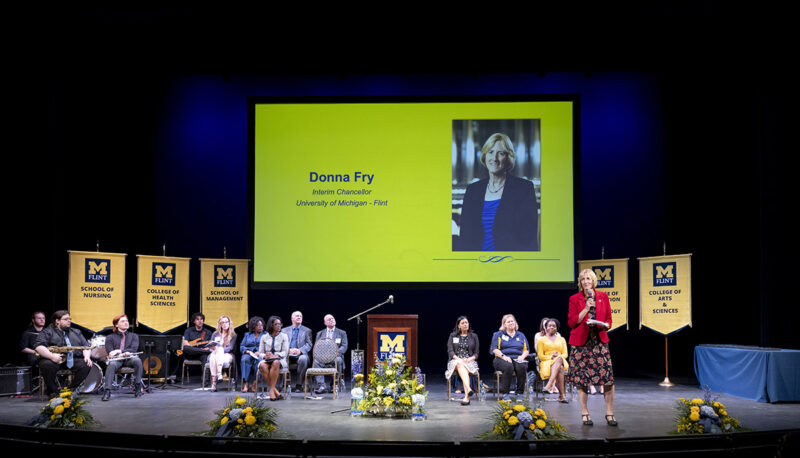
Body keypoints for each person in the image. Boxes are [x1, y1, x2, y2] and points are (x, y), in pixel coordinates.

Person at [456, 133, 539, 251]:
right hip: (477, 263)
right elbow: (465, 237)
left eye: (500, 153)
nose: (494, 158)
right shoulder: (472, 190)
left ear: (508, 157)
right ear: (484, 156)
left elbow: (529, 239)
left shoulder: (524, 189)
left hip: (509, 262)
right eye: (490, 152)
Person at [568, 269, 617, 426]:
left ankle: (609, 413)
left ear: (593, 281)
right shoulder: (574, 299)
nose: (586, 281)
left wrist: (606, 325)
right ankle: (585, 413)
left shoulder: (603, 296)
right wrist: (586, 309)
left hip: (599, 343)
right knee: (582, 380)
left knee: (608, 379)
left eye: (588, 279)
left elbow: (609, 318)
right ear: (580, 282)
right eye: (583, 279)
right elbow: (571, 322)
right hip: (581, 345)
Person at [34, 310, 93, 398]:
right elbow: (38, 346)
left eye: (69, 319)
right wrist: (52, 356)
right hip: (54, 359)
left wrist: (87, 356)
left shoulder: (76, 332)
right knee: (46, 365)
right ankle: (53, 392)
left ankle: (70, 390)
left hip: (72, 359)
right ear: (57, 321)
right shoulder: (47, 331)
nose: (69, 321)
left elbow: (86, 346)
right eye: (66, 319)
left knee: (86, 364)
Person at [101, 314, 143, 401]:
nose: (126, 323)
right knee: (111, 364)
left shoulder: (134, 336)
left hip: (129, 359)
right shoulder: (110, 337)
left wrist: (119, 351)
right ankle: (107, 391)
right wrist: (120, 353)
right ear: (116, 324)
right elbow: (110, 352)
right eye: (123, 321)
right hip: (117, 360)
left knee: (137, 360)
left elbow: (133, 349)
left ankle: (138, 386)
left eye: (126, 321)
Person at [489, 314, 529, 397]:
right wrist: (504, 357)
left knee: (522, 367)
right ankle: (505, 393)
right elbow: (495, 349)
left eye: (512, 321)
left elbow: (526, 350)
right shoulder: (498, 334)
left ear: (515, 323)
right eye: (508, 322)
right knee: (508, 367)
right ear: (504, 324)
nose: (511, 323)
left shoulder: (521, 335)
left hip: (517, 358)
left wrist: (522, 357)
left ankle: (519, 393)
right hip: (501, 358)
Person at [445, 316, 479, 405]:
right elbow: (450, 351)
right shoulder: (453, 335)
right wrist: (459, 359)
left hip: (469, 361)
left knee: (463, 367)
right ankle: (468, 389)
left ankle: (466, 397)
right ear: (459, 326)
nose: (465, 324)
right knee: (460, 364)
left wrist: (468, 359)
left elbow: (476, 354)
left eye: (466, 323)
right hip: (455, 360)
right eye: (463, 323)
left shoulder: (474, 336)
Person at [313, 314, 348, 394]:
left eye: (333, 318)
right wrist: (323, 356)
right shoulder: (320, 334)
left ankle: (334, 385)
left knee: (339, 360)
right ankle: (322, 386)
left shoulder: (342, 333)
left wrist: (334, 354)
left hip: (336, 357)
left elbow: (344, 346)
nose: (332, 320)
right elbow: (317, 347)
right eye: (329, 319)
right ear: (325, 323)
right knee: (316, 361)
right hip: (323, 358)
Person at [537, 318, 569, 403]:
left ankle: (549, 385)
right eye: (549, 326)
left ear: (557, 328)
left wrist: (558, 356)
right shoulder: (541, 340)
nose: (551, 327)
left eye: (554, 326)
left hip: (560, 359)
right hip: (547, 361)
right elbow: (540, 356)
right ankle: (562, 396)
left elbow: (565, 354)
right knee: (560, 368)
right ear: (546, 328)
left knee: (559, 359)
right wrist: (551, 357)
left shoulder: (562, 339)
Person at [257, 316, 288, 401]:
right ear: (271, 325)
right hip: (267, 360)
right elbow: (260, 352)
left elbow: (285, 352)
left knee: (276, 362)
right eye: (276, 324)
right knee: (263, 366)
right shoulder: (264, 337)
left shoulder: (284, 336)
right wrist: (265, 356)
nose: (279, 326)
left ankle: (271, 391)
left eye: (280, 324)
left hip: (279, 359)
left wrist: (276, 355)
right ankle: (275, 391)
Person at [281, 310, 312, 392]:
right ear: (292, 318)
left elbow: (309, 344)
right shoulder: (284, 330)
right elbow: (281, 344)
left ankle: (299, 385)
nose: (299, 317)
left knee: (303, 359)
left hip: (301, 354)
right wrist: (288, 350)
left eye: (300, 316)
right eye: (297, 316)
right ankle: (286, 384)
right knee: (283, 359)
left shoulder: (307, 330)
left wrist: (300, 350)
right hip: (288, 354)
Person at [208, 315, 236, 392]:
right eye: (222, 322)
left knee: (219, 350)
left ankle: (214, 383)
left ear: (229, 323)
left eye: (226, 322)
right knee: (213, 355)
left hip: (227, 355)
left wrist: (219, 349)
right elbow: (211, 347)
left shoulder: (233, 335)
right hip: (215, 354)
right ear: (220, 324)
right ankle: (218, 375)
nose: (224, 324)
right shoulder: (215, 334)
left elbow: (230, 348)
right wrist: (214, 349)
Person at [239, 316, 265, 392]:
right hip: (249, 353)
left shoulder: (265, 335)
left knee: (259, 362)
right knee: (244, 359)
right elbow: (242, 346)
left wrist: (260, 352)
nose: (261, 327)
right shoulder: (247, 335)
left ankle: (254, 383)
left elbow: (268, 346)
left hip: (260, 353)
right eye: (258, 325)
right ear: (253, 326)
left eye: (261, 325)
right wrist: (248, 351)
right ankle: (245, 383)